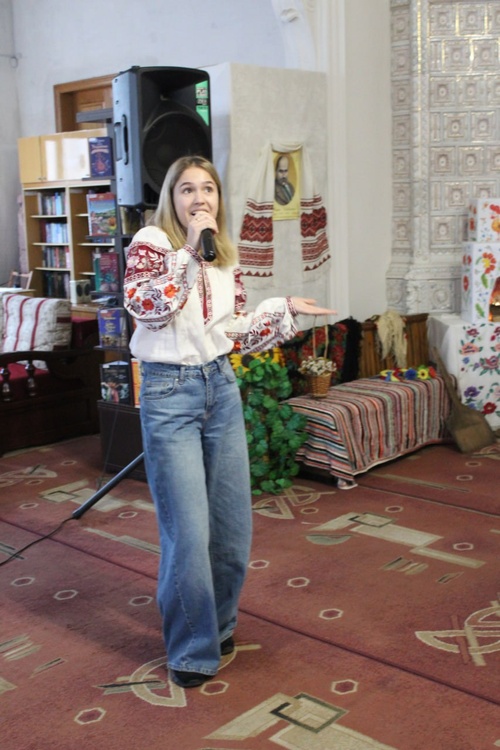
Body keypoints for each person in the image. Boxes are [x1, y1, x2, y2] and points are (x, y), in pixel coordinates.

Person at [123, 155, 336, 689]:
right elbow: (148, 309)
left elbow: (233, 330)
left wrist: (282, 309)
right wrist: (191, 253)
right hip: (169, 392)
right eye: (187, 189)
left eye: (208, 189)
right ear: (172, 198)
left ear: (219, 198)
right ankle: (190, 651)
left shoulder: (224, 255)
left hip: (219, 387)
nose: (200, 198)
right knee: (189, 532)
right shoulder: (152, 243)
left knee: (231, 526)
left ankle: (216, 627)